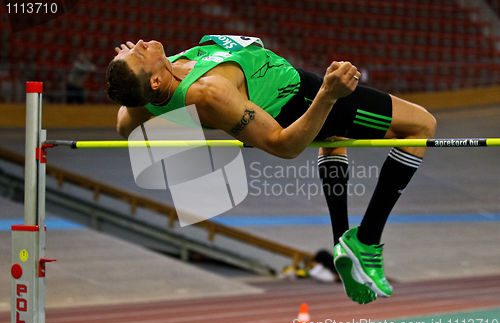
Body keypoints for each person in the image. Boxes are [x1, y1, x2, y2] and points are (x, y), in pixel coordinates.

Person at [105, 36, 436, 304]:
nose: (138, 44)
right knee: (421, 126)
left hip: (294, 92)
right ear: (157, 81)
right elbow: (283, 145)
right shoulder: (209, 93)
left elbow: (125, 124)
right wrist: (327, 96)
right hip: (301, 99)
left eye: (133, 48)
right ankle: (367, 240)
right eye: (138, 54)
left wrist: (131, 71)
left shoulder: (161, 81)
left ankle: (342, 243)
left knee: (335, 137)